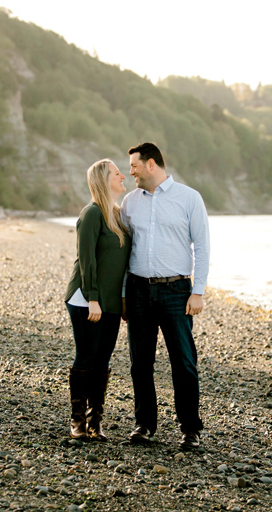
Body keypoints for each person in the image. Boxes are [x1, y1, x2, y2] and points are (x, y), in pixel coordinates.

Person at [121, 142, 210, 450]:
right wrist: (123, 294)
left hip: (176, 291)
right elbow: (124, 250)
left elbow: (202, 245)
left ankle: (190, 429)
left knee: (184, 361)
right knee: (140, 362)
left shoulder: (189, 198)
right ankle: (144, 424)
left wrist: (198, 290)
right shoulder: (130, 202)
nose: (129, 171)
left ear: (151, 164)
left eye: (133, 165)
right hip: (138, 290)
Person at [64, 159, 131, 441]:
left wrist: (124, 299)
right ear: (105, 180)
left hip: (112, 301)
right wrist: (92, 298)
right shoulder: (91, 214)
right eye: (117, 173)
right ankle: (77, 422)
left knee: (103, 360)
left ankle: (95, 423)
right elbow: (87, 261)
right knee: (87, 356)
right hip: (86, 298)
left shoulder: (117, 214)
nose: (123, 176)